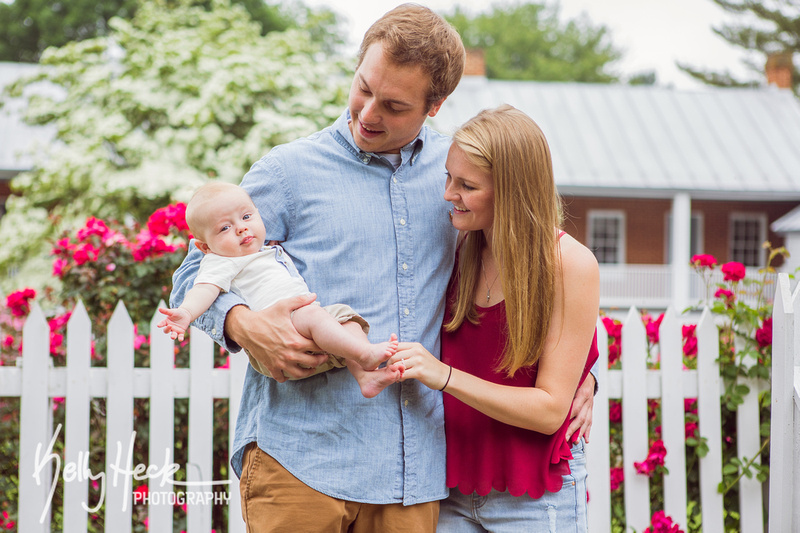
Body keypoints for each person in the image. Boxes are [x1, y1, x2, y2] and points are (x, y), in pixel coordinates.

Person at [171, 5, 595, 531]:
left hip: (411, 475)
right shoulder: (289, 171)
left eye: (394, 105)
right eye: (363, 87)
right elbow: (194, 270)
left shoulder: (459, 176)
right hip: (304, 458)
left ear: (435, 105)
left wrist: (581, 373)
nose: (368, 113)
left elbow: (519, 277)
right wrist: (241, 323)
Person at [387, 105, 599, 532]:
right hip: (449, 489)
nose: (449, 194)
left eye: (467, 185)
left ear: (513, 190)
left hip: (535, 495)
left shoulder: (569, 264)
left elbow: (549, 410)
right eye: (448, 177)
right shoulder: (457, 247)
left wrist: (443, 375)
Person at [158, 182, 403, 398]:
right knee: (314, 315)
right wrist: (187, 313)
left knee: (347, 319)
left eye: (246, 217)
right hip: (280, 334)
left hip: (305, 321)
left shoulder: (264, 250)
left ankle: (365, 377)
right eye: (224, 228)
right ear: (205, 247)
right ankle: (366, 354)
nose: (241, 228)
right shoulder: (220, 261)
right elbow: (203, 289)